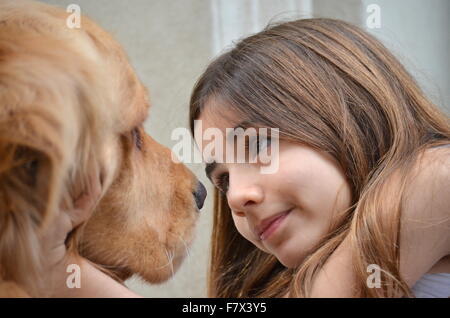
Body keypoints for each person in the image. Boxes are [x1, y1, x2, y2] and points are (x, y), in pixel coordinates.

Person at [189, 18, 450, 297]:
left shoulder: (436, 175)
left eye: (258, 145)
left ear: (352, 112)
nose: (235, 198)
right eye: (225, 180)